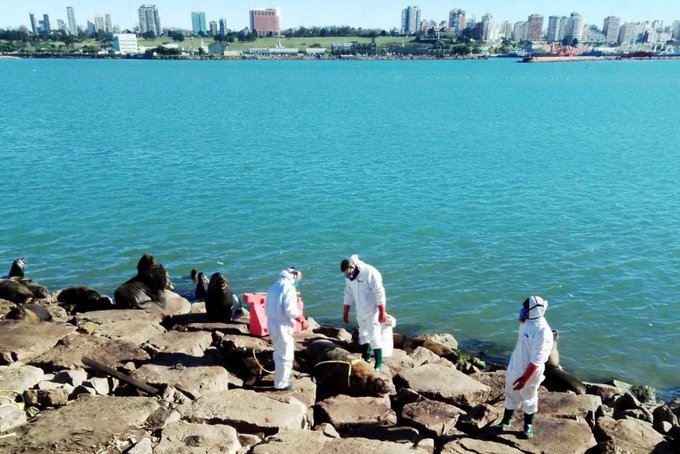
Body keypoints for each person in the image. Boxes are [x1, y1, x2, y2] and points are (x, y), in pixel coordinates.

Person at [494, 295, 554, 439]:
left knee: (529, 396)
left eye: (525, 309)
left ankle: (528, 425)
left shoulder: (543, 331)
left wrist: (524, 378)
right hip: (516, 364)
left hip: (530, 371)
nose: (523, 311)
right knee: (510, 392)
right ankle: (506, 420)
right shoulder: (527, 321)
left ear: (533, 311)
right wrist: (523, 318)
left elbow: (537, 360)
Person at [340, 254, 387, 372]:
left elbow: (379, 293)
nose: (347, 276)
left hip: (373, 310)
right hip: (360, 310)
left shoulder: (370, 272)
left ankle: (378, 363)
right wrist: (345, 312)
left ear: (353, 267)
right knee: (363, 334)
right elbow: (348, 294)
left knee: (374, 335)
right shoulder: (349, 278)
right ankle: (366, 358)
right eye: (345, 274)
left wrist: (382, 312)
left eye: (348, 273)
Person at [265, 267, 308, 390]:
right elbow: (290, 310)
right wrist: (302, 319)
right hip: (282, 325)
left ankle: (281, 377)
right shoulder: (289, 288)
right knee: (286, 356)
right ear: (293, 276)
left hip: (272, 323)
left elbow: (267, 307)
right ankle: (281, 384)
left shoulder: (273, 287)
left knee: (278, 352)